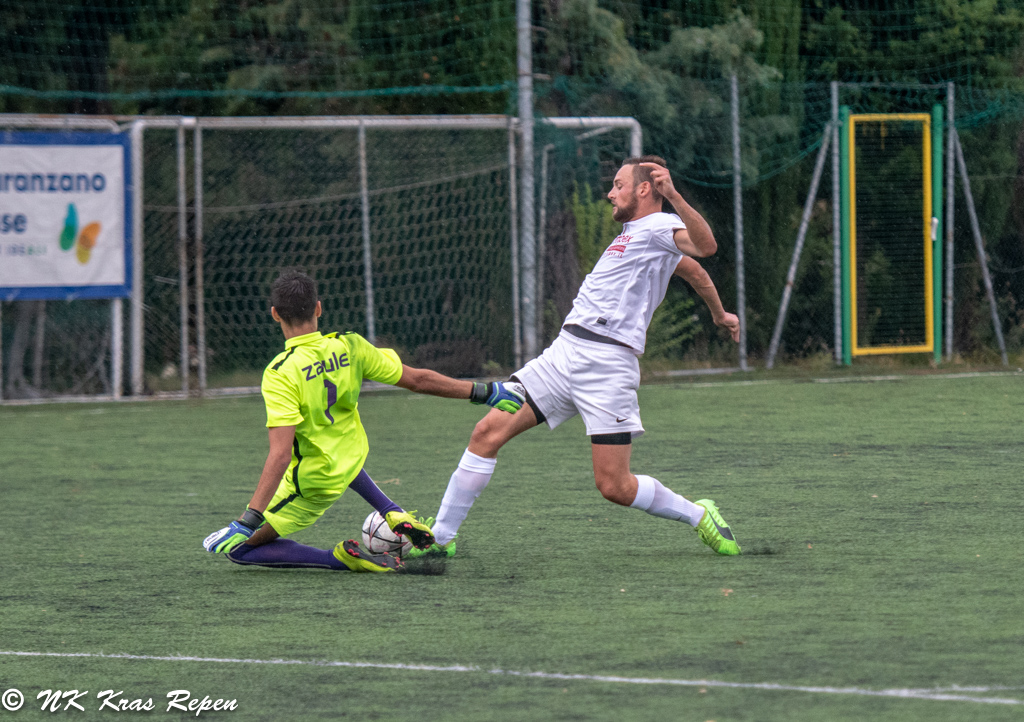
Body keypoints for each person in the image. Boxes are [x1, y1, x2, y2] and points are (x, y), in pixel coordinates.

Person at [410, 156, 742, 559]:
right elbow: (694, 272)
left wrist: (672, 195)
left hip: (607, 366)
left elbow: (706, 248)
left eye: (618, 184)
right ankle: (440, 540)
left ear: (643, 189)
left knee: (614, 486)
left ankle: (699, 515)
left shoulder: (658, 225)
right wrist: (718, 313)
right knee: (486, 433)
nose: (610, 192)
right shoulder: (638, 234)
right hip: (564, 354)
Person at [202, 269, 525, 573]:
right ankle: (391, 511)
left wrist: (248, 519)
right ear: (318, 308)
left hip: (313, 481)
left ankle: (340, 560)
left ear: (275, 313)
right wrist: (485, 392)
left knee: (240, 549)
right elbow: (418, 380)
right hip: (351, 457)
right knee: (339, 457)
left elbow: (281, 453)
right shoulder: (350, 345)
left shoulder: (280, 372)